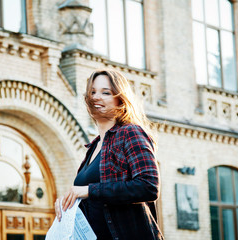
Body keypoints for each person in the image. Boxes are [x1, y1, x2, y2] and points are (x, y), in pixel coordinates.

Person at [55, 69, 164, 240]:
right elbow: (94, 202)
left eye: (105, 92)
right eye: (92, 92)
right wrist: (68, 203)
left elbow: (148, 186)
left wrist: (89, 190)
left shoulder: (130, 132)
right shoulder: (94, 146)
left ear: (120, 99)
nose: (96, 97)